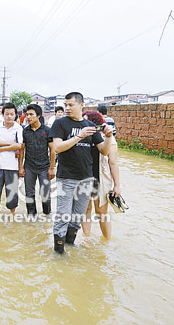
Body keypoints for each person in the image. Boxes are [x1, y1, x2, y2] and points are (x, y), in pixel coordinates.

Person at [50, 92, 113, 254]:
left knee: (77, 216)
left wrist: (108, 137)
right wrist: (79, 136)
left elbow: (104, 151)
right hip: (66, 177)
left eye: (71, 105)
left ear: (81, 105)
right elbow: (57, 147)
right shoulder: (60, 124)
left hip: (86, 179)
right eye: (66, 105)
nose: (67, 108)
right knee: (63, 215)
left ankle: (70, 246)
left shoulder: (90, 126)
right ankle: (59, 252)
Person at [81, 110, 120, 239]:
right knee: (85, 210)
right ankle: (87, 238)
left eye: (87, 120)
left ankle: (107, 240)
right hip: (84, 177)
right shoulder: (82, 136)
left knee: (101, 212)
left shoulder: (109, 139)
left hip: (101, 179)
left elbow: (113, 163)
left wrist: (117, 185)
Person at [19, 104, 56, 215]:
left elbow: (53, 150)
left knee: (45, 194)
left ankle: (47, 215)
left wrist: (52, 168)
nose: (28, 117)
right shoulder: (25, 131)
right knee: (29, 194)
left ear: (38, 115)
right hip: (29, 167)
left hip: (44, 167)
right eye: (27, 114)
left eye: (31, 114)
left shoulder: (47, 130)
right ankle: (31, 218)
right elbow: (22, 150)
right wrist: (20, 167)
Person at [0, 103, 23, 214]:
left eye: (12, 114)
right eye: (7, 114)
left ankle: (12, 215)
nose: (9, 116)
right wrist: (8, 143)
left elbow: (19, 145)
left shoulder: (18, 128)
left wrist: (0, 149)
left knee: (12, 192)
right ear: (2, 114)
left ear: (15, 115)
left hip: (12, 165)